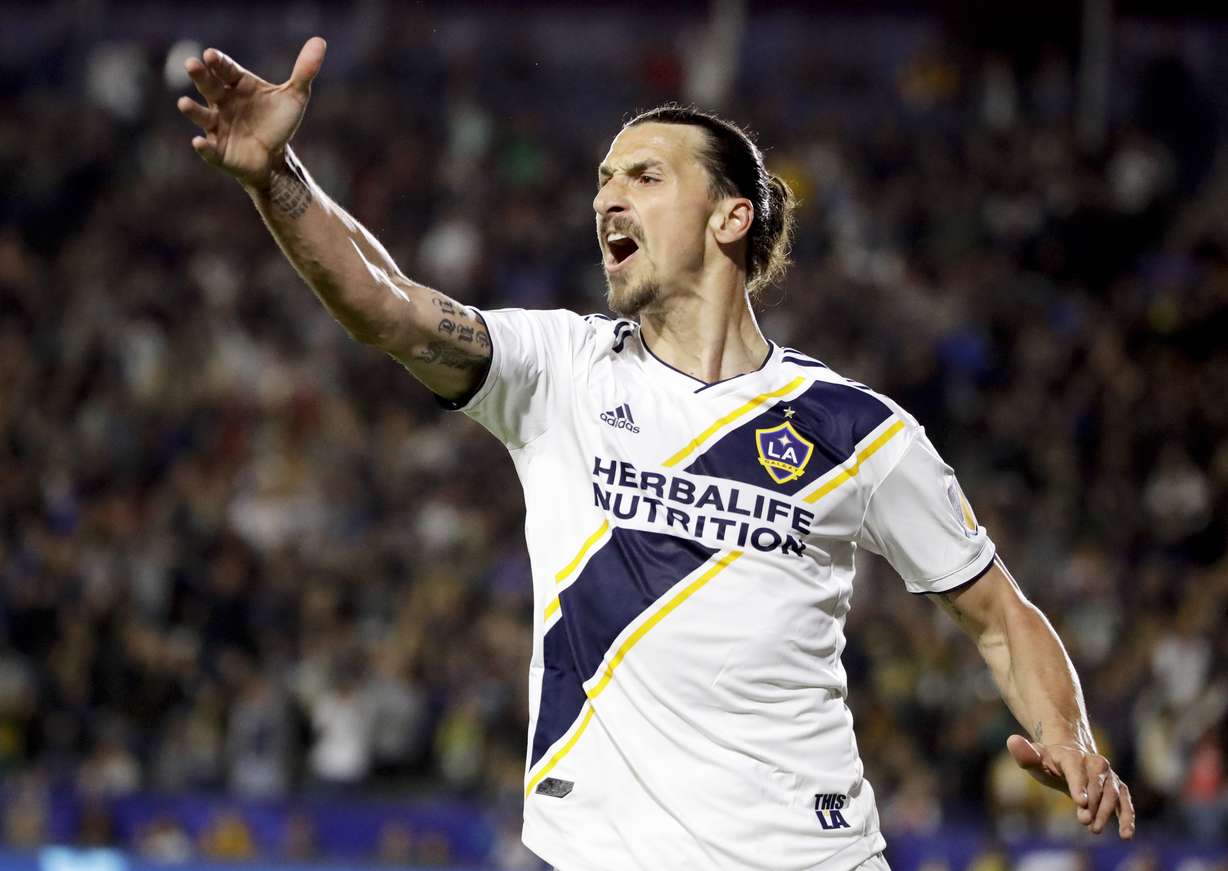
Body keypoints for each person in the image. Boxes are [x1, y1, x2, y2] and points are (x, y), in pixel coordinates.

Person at [177, 37, 1135, 870]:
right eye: (601, 178)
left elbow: (999, 615)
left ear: (730, 217)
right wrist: (276, 176)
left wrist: (1072, 738)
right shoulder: (560, 370)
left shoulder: (858, 431)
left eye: (643, 175)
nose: (605, 198)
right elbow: (384, 303)